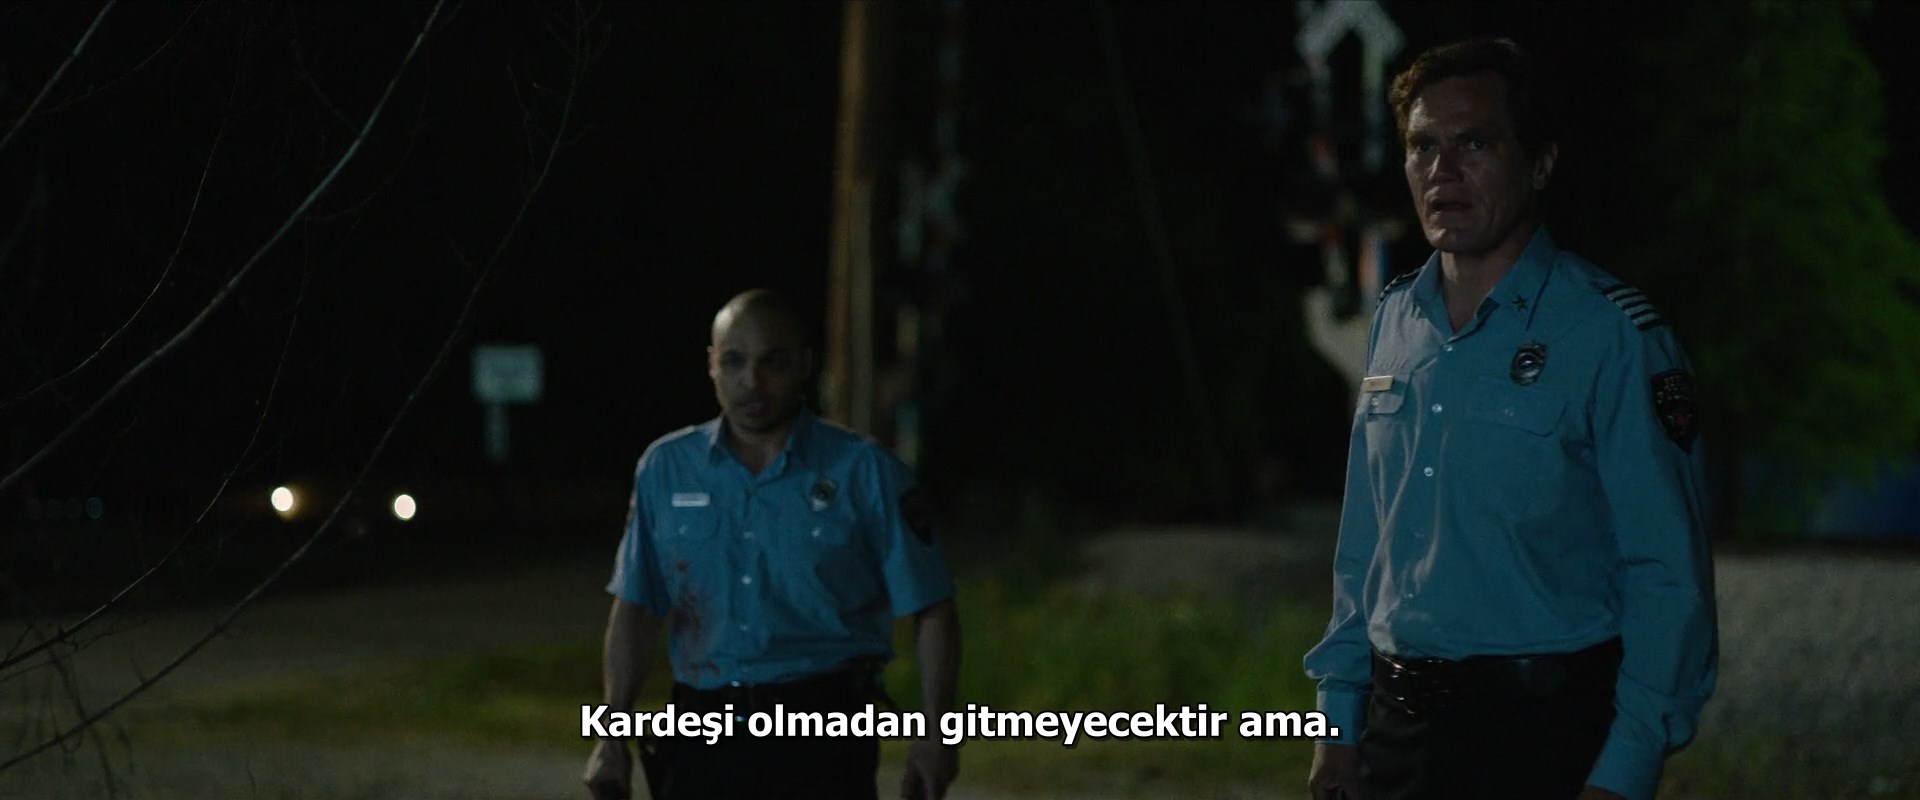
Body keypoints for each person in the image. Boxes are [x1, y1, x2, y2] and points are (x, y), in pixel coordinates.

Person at [1302, 39, 1717, 800]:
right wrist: (1339, 722)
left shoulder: (1610, 334)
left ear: (1540, 164)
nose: (1443, 171)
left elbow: (1667, 574)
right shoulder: (1395, 320)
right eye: (1423, 146)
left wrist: (1624, 770)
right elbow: (1365, 542)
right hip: (1396, 735)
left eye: (1475, 144)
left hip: (1541, 738)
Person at [583, 289, 961, 800]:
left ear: (804, 364)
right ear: (711, 364)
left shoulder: (864, 471)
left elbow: (932, 607)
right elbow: (635, 609)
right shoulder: (666, 469)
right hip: (702, 738)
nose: (752, 381)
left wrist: (938, 735)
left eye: (773, 362)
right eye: (734, 362)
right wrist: (610, 737)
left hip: (824, 737)